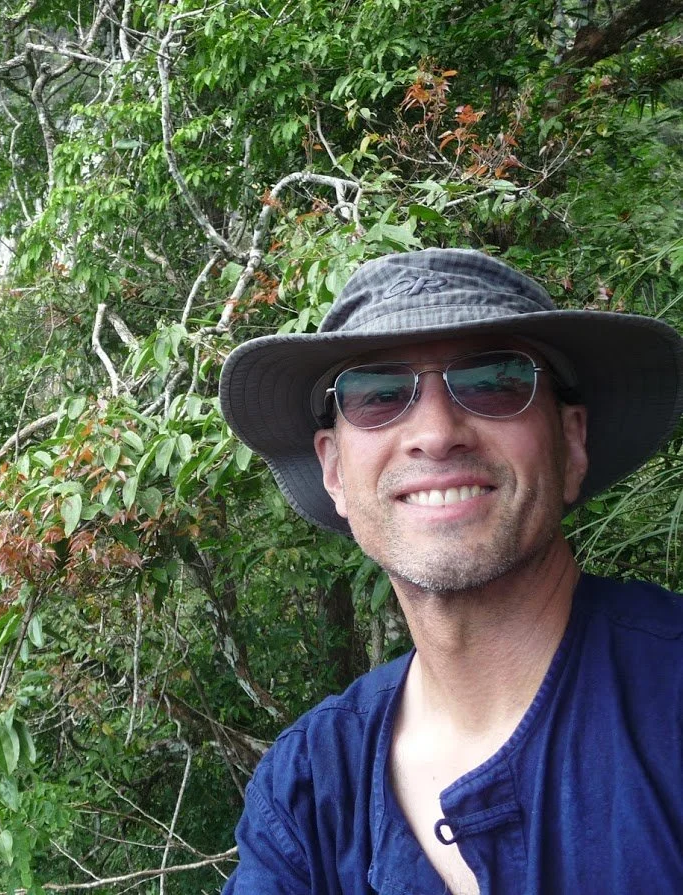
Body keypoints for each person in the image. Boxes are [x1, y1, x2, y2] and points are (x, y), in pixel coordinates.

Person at [217, 248, 683, 894]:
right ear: (334, 473)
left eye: (495, 380)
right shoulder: (310, 789)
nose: (436, 432)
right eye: (377, 395)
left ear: (571, 441)